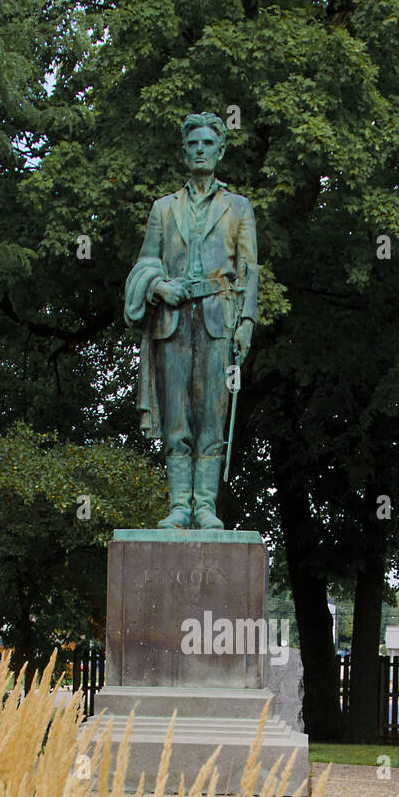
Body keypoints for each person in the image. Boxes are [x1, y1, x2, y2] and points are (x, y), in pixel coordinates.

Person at [124, 111, 258, 529]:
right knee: (177, 419)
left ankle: (205, 506)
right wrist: (159, 286)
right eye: (193, 144)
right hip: (173, 321)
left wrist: (248, 322)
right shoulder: (163, 209)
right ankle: (179, 506)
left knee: (211, 419)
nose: (201, 150)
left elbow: (250, 270)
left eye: (208, 144)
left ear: (220, 150)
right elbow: (147, 259)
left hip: (219, 321)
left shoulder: (238, 207)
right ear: (185, 151)